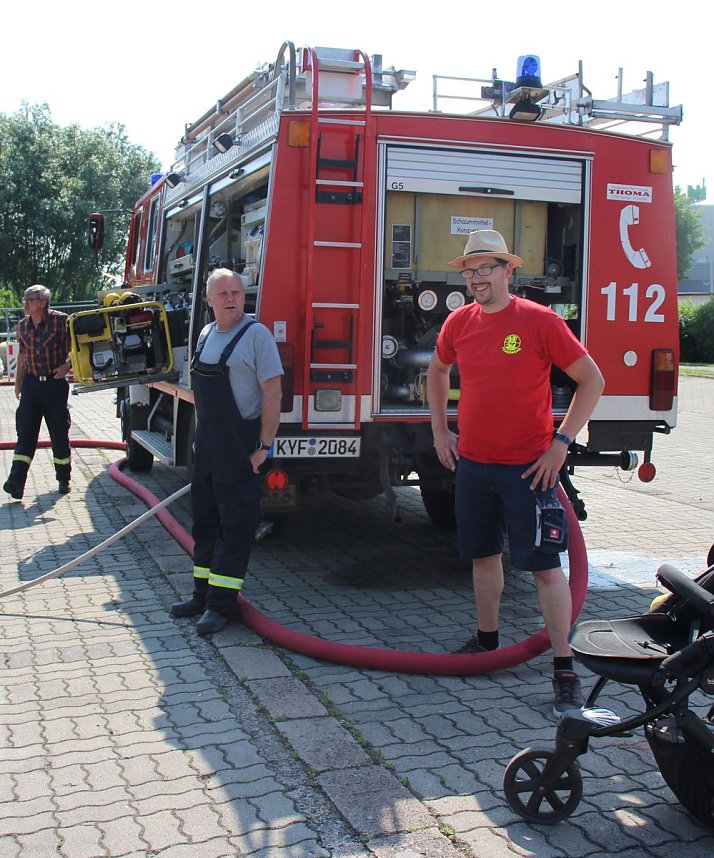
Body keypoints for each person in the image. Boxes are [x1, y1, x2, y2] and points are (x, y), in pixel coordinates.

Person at [427, 230, 605, 716]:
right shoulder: (459, 322)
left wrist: (561, 444)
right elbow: (437, 371)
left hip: (529, 470)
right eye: (470, 270)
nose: (476, 277)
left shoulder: (539, 321)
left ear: (508, 270)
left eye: (486, 268)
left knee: (545, 569)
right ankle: (487, 642)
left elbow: (592, 380)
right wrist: (440, 431)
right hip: (473, 465)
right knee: (483, 557)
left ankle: (564, 669)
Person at [170, 269, 283, 636]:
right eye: (223, 293)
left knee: (235, 527)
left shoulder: (257, 336)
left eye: (236, 292)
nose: (231, 298)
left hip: (240, 449)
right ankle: (201, 595)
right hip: (207, 448)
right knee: (204, 523)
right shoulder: (206, 334)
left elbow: (273, 394)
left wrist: (263, 447)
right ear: (209, 300)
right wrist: (198, 438)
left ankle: (220, 607)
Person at [3, 285, 73, 500]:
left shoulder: (61, 321)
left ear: (43, 303)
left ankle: (63, 479)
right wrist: (18, 383)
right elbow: (22, 355)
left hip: (54, 385)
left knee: (58, 433)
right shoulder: (23, 325)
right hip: (31, 385)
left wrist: (67, 366)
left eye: (30, 300)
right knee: (25, 432)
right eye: (24, 299)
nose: (25, 303)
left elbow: (78, 348)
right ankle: (16, 482)